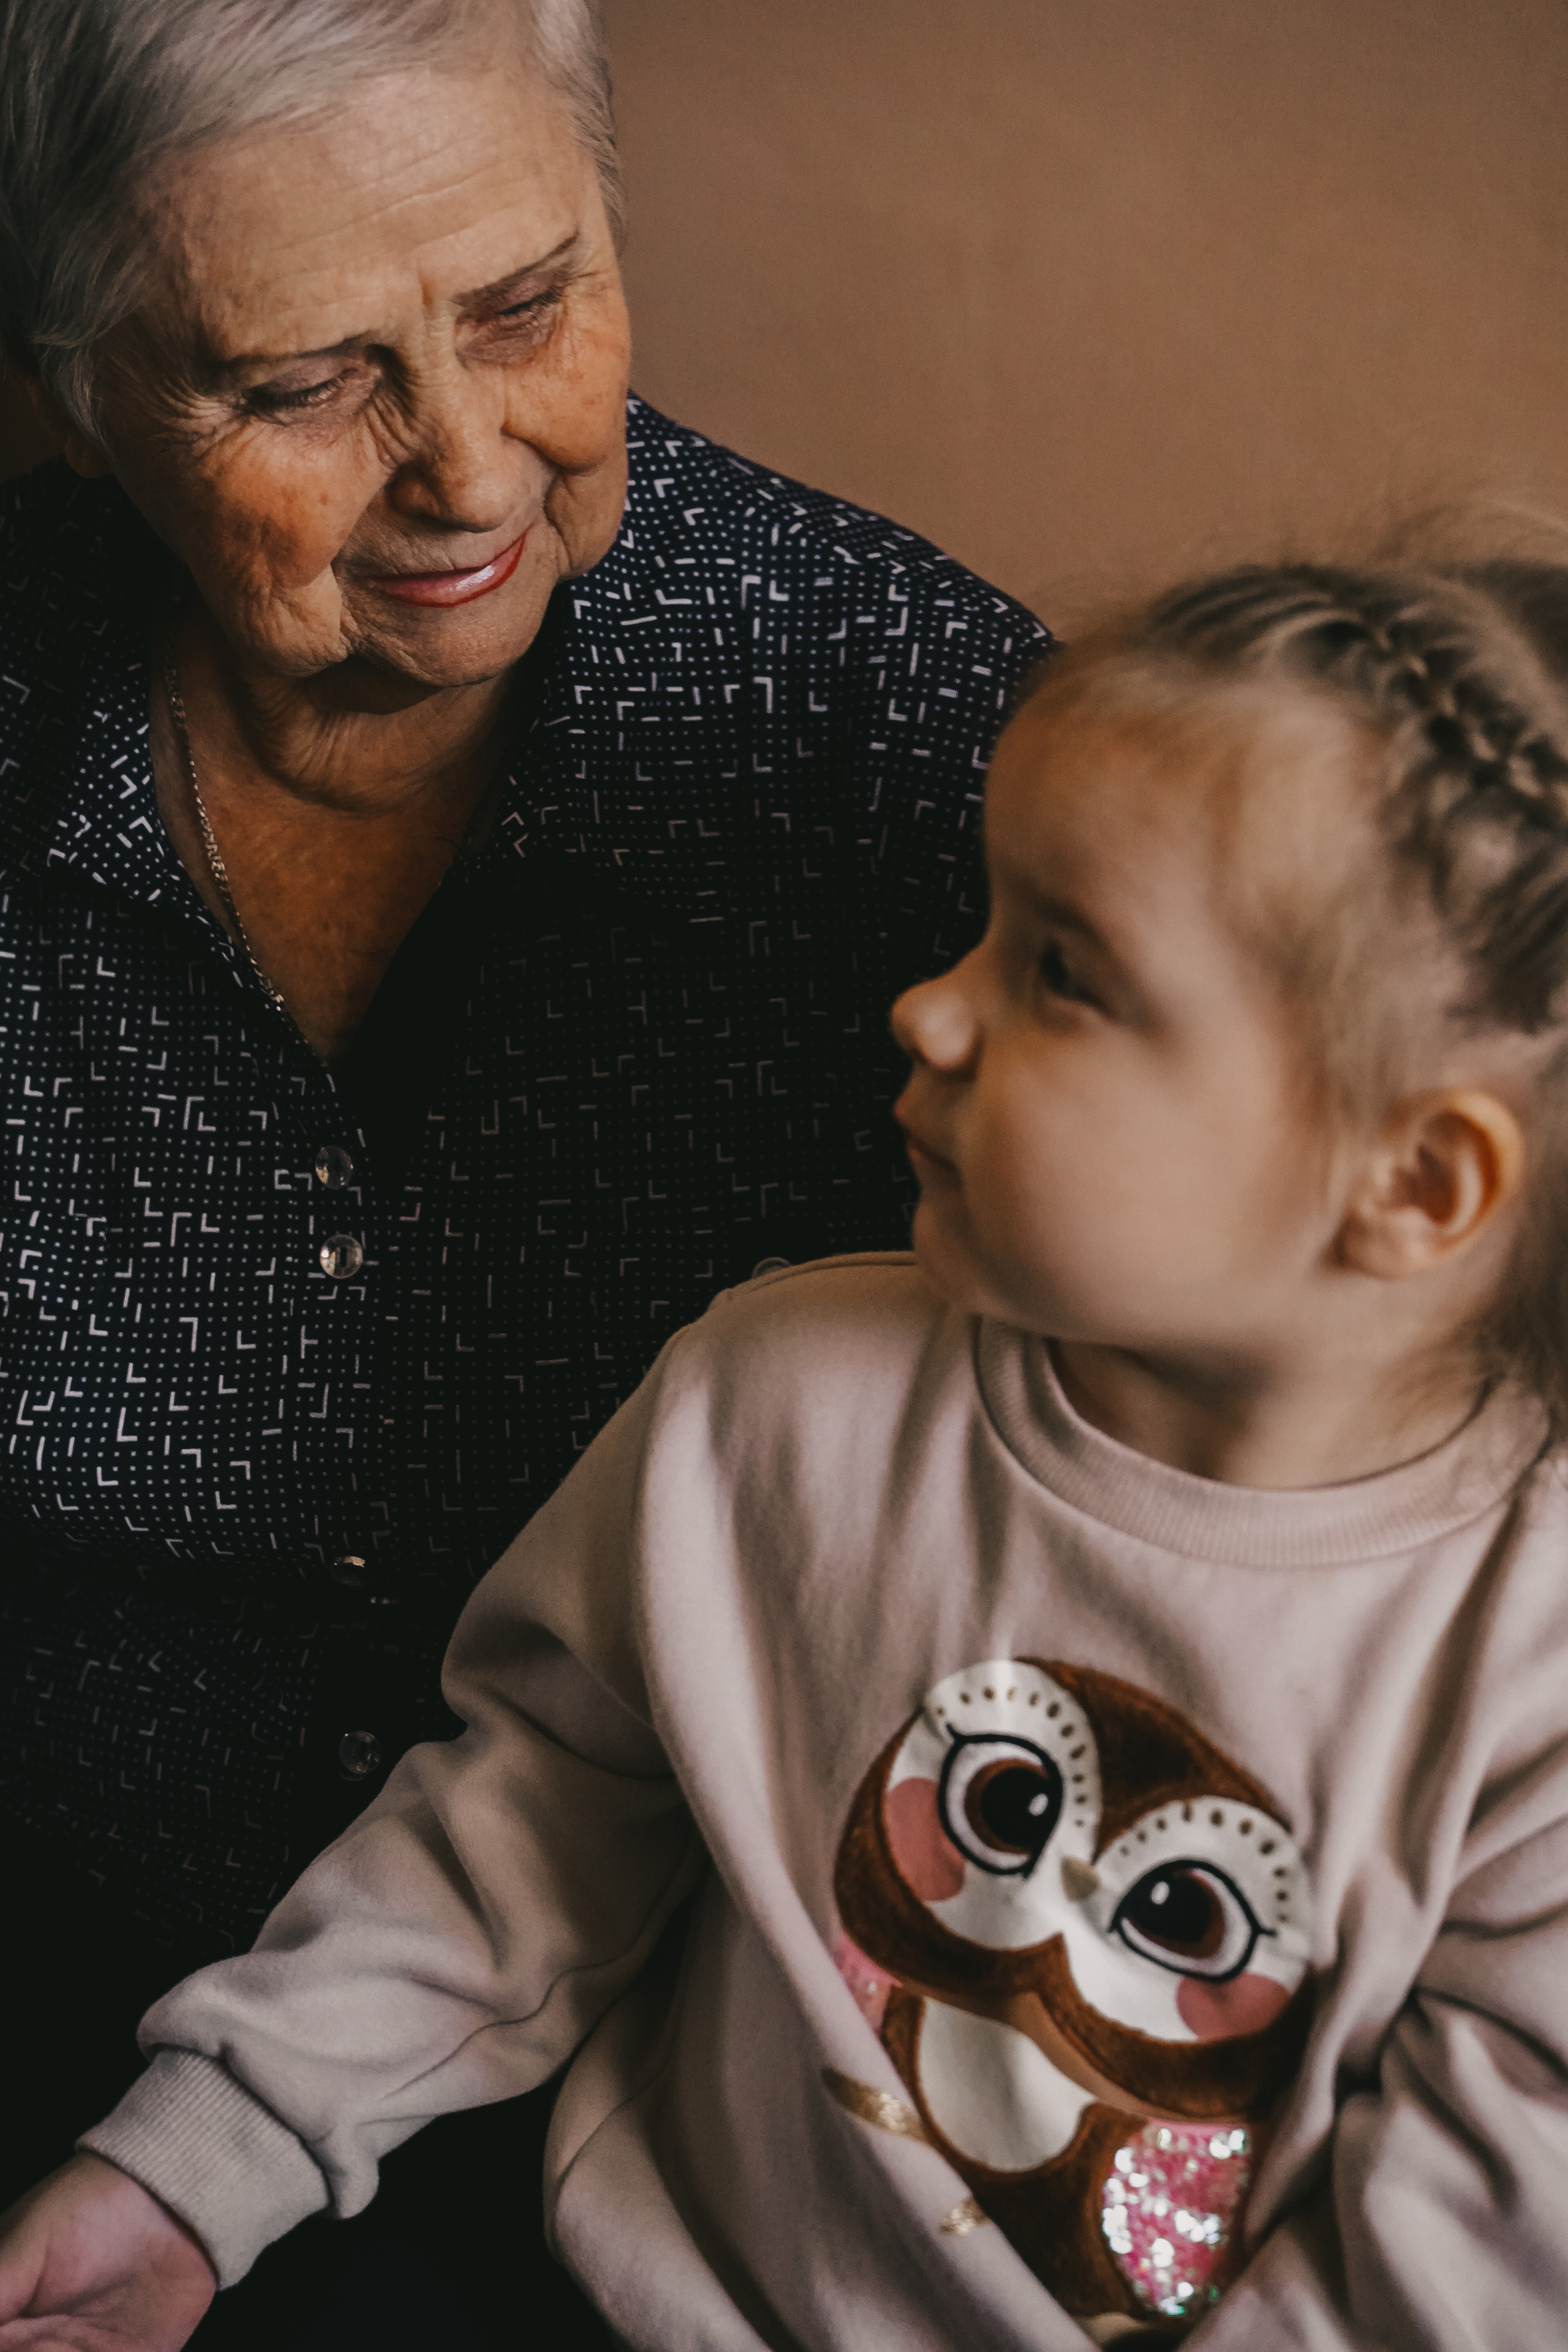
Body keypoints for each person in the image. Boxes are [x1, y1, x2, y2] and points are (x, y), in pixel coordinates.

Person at [10, 545, 1568, 2351]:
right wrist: (200, 2166)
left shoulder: (1526, 1668)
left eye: (1061, 970)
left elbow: (1454, 2264)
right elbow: (530, 1823)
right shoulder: (777, 1395)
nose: (929, 1004)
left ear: (1415, 1185)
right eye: (981, 919)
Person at [0, 1, 1044, 2333]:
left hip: (722, 2165)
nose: (471, 470)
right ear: (76, 390)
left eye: (526, 306)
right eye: (302, 384)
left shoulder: (925, 751)